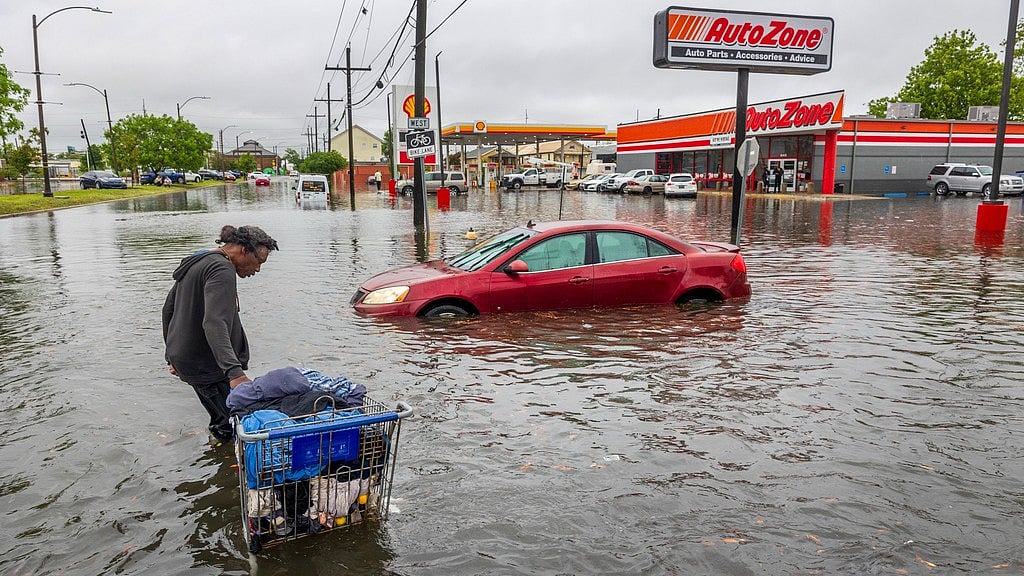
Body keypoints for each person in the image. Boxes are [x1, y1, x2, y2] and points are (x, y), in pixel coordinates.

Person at [162, 225, 279, 441]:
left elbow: (168, 309)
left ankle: (218, 462)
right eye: (259, 261)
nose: (258, 269)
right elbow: (214, 323)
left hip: (188, 359)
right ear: (243, 250)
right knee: (233, 424)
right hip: (207, 364)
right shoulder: (221, 269)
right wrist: (235, 374)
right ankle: (231, 465)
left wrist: (171, 354)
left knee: (222, 418)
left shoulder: (200, 261)